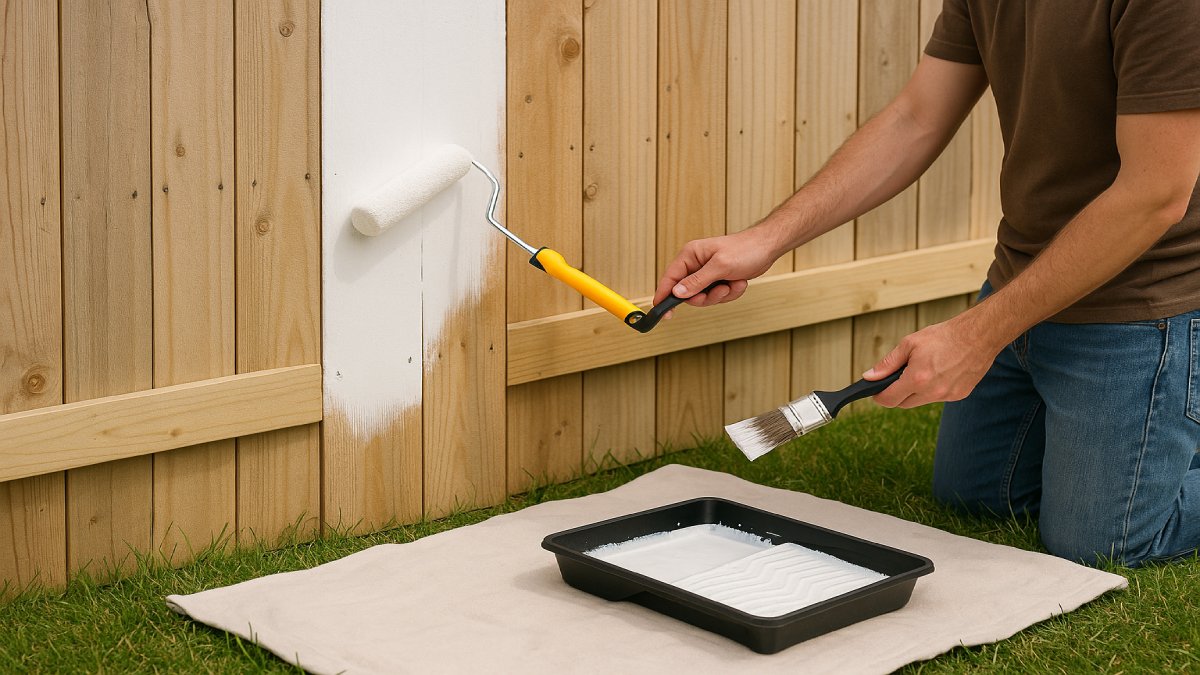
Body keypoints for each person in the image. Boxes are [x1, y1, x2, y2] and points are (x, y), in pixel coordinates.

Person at [654, 1, 1200, 566]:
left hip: (1144, 303)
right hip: (1022, 279)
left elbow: (1154, 194)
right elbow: (915, 119)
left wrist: (978, 335)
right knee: (977, 496)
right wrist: (764, 240)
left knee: (1105, 543)